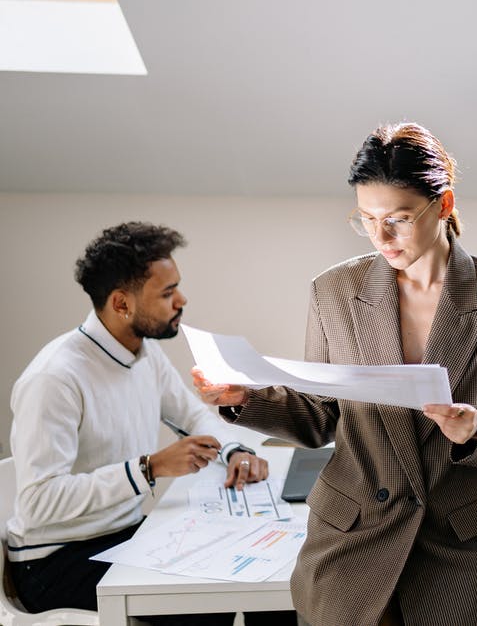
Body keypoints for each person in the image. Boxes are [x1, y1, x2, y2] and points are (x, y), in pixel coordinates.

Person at [193, 122, 477, 626]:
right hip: (355, 531)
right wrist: (243, 398)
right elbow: (318, 416)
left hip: (458, 541)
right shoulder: (333, 291)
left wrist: (474, 429)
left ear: (443, 205)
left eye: (398, 218)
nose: (382, 236)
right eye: (367, 218)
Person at [7, 222, 278, 625]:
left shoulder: (142, 353)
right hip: (55, 561)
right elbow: (38, 502)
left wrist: (234, 449)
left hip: (124, 536)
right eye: (167, 293)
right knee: (210, 606)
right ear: (121, 304)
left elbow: (191, 416)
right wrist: (148, 468)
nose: (181, 300)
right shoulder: (55, 378)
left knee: (264, 582)